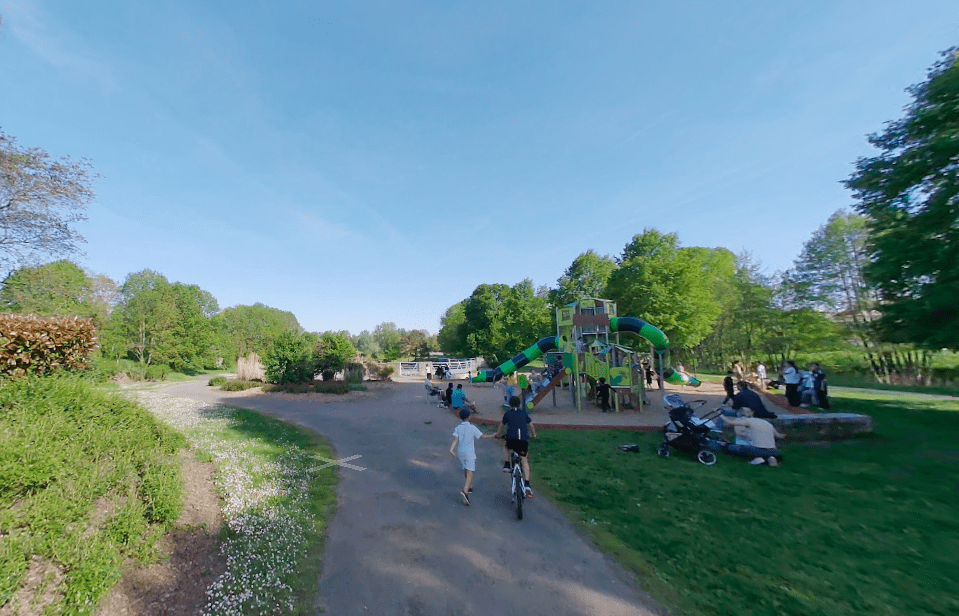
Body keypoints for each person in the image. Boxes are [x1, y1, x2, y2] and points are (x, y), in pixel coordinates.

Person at [449, 408, 495, 505]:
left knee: (466, 469)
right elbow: (483, 436)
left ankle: (469, 486)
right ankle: (465, 492)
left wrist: (451, 449)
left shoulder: (458, 428)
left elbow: (455, 439)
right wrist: (493, 435)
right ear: (469, 417)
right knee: (470, 472)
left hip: (461, 452)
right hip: (469, 452)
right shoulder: (472, 428)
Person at [710, 407, 785, 466]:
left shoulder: (748, 421)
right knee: (764, 451)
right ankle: (768, 458)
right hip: (773, 451)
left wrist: (720, 413)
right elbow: (779, 436)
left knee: (732, 447)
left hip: (756, 450)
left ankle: (760, 459)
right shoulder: (766, 423)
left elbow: (729, 422)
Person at [494, 396, 537, 498]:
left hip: (511, 439)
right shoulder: (524, 413)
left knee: (506, 446)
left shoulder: (507, 414)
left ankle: (507, 464)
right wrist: (533, 435)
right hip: (522, 440)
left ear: (510, 405)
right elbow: (531, 425)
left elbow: (501, 425)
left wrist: (498, 434)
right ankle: (527, 484)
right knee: (524, 461)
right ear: (519, 404)